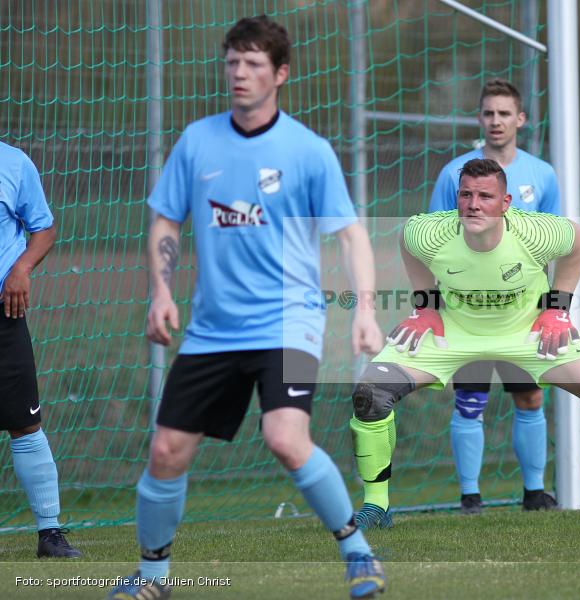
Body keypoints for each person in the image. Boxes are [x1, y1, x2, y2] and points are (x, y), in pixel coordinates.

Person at [106, 16, 385, 600]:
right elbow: (165, 217)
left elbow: (351, 235)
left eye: (254, 63)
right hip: (213, 329)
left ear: (280, 74)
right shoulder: (198, 140)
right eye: (233, 61)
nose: (239, 73)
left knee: (285, 435)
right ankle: (152, 579)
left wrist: (364, 311)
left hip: (289, 321)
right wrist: (161, 290)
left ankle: (358, 553)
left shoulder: (307, 151)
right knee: (165, 451)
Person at [350, 158, 580, 530]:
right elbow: (406, 241)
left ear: (506, 202)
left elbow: (579, 241)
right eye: (465, 194)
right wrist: (427, 306)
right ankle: (376, 507)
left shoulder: (534, 232)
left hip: (529, 332)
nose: (473, 204)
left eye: (485, 196)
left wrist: (557, 309)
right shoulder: (431, 232)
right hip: (453, 333)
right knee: (370, 394)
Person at [429, 79, 560, 515]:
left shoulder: (542, 175)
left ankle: (534, 493)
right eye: (488, 113)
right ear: (479, 118)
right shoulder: (455, 172)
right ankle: (470, 496)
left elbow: (555, 241)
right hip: (468, 308)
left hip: (523, 312)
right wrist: (434, 305)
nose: (496, 121)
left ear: (520, 119)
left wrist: (550, 308)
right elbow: (431, 238)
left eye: (505, 113)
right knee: (470, 399)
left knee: (530, 397)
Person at [0, 141, 81, 558]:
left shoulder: (14, 163)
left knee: (25, 425)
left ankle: (50, 535)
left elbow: (43, 228)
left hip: (4, 317)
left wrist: (22, 268)